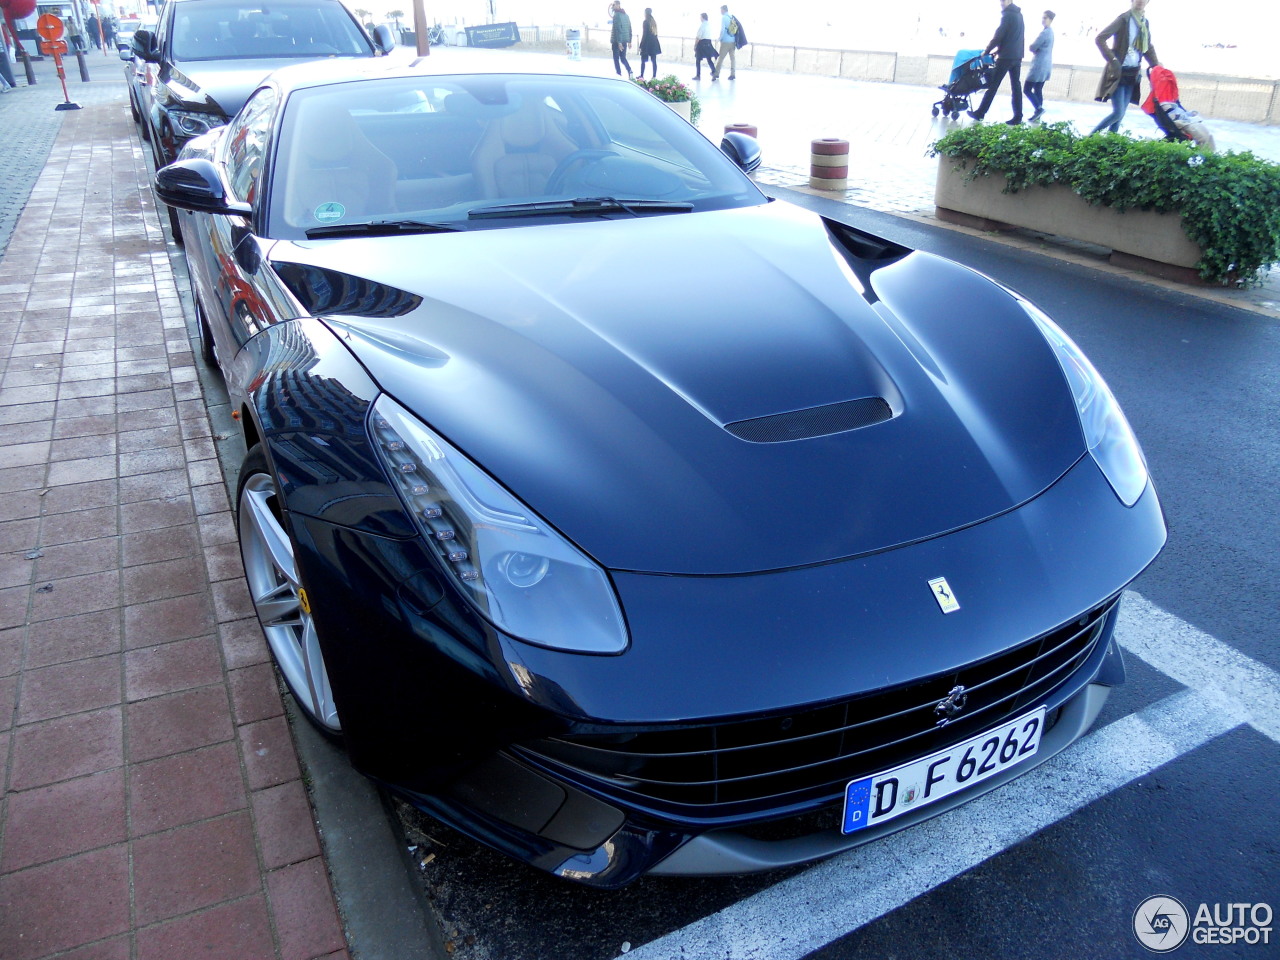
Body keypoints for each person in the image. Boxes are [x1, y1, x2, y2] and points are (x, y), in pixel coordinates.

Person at [1090, 0, 1159, 135]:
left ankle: (1110, 144)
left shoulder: (1144, 22)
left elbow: (1147, 47)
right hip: (1119, 73)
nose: (1140, 1)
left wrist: (1156, 65)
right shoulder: (1124, 19)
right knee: (1118, 112)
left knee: (1120, 116)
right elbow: (1100, 38)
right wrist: (1113, 60)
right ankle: (1089, 138)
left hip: (1132, 73)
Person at [967, 0, 1025, 125]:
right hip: (1017, 56)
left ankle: (980, 113)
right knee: (1016, 86)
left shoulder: (1007, 15)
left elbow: (998, 36)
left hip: (1005, 58)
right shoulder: (1019, 15)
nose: (1001, 3)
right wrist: (998, 51)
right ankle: (1018, 116)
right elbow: (1013, 38)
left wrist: (986, 51)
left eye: (1003, 1)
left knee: (993, 85)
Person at [1024, 10, 1054, 122]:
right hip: (1046, 65)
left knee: (1027, 89)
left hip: (1039, 66)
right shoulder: (1051, 32)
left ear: (1050, 20)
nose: (1043, 20)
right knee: (1038, 89)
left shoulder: (1045, 33)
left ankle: (1038, 109)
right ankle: (1038, 115)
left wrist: (1032, 47)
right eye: (1043, 17)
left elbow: (1033, 47)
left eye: (1045, 18)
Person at [712, 5, 736, 81]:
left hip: (725, 41)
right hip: (733, 41)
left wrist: (719, 39)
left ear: (723, 10)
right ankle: (733, 74)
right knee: (732, 58)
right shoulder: (731, 16)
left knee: (721, 58)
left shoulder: (724, 18)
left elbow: (722, 30)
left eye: (721, 10)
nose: (720, 11)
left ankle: (716, 74)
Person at [610, 2, 633, 77]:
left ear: (618, 5)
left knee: (616, 58)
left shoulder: (617, 15)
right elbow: (629, 28)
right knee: (623, 58)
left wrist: (619, 42)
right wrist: (629, 41)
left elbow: (618, 29)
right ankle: (630, 70)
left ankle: (618, 74)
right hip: (624, 40)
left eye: (614, 5)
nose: (613, 6)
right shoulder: (626, 15)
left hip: (617, 41)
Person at [693, 12, 717, 80]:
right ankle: (714, 71)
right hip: (708, 42)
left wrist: (695, 45)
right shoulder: (709, 25)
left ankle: (698, 75)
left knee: (698, 59)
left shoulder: (702, 25)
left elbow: (698, 37)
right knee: (709, 59)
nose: (700, 18)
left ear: (702, 17)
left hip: (702, 43)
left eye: (700, 17)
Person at [638, 8, 661, 78]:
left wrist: (641, 45)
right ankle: (654, 76)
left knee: (643, 60)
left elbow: (644, 34)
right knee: (654, 60)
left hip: (647, 43)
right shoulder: (653, 21)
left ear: (645, 13)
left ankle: (641, 76)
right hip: (654, 43)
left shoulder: (645, 22)